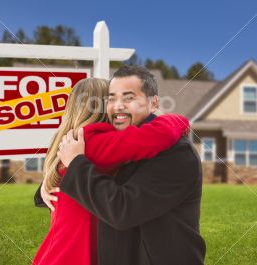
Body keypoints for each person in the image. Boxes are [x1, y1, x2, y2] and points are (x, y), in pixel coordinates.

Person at [44, 65, 206, 265]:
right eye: (111, 99)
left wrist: (73, 167)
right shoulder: (94, 142)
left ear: (153, 103)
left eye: (128, 98)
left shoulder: (176, 153)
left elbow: (122, 210)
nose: (118, 106)